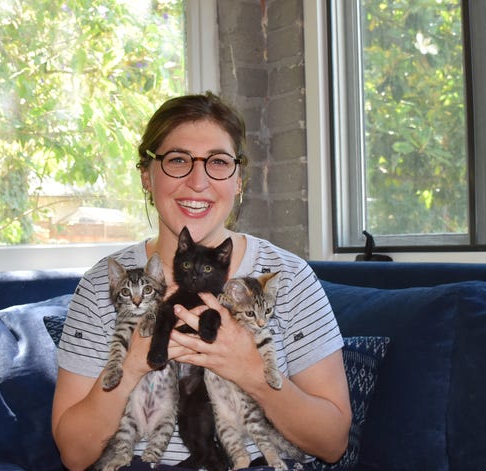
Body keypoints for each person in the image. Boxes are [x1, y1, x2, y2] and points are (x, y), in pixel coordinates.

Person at [51, 92, 352, 471]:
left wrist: (253, 373)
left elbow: (332, 442)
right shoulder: (101, 285)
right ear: (146, 175)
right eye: (178, 160)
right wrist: (131, 365)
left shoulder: (287, 277)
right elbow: (75, 455)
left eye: (218, 162)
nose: (198, 181)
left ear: (238, 180)